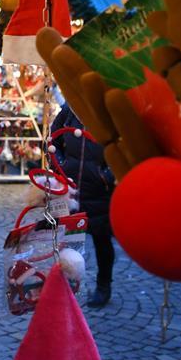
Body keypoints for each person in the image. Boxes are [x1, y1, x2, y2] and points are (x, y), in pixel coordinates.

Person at [51, 103, 116, 308]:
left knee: (101, 240)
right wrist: (60, 166)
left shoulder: (108, 112)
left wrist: (106, 176)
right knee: (69, 241)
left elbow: (123, 148)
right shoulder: (71, 109)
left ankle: (103, 286)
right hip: (71, 190)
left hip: (99, 191)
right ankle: (69, 284)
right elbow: (53, 139)